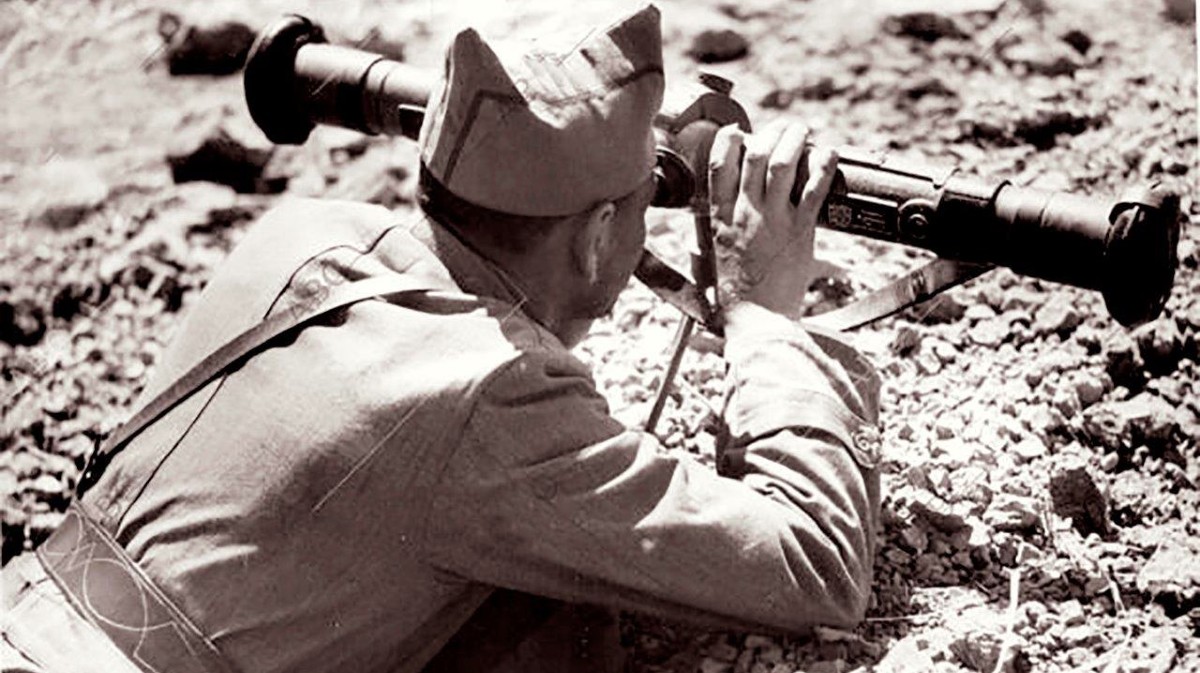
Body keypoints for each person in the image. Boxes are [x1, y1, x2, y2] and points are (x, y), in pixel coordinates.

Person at [0, 5, 881, 673]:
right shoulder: (491, 391)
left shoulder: (301, 232)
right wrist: (767, 313)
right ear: (590, 237)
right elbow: (814, 564)